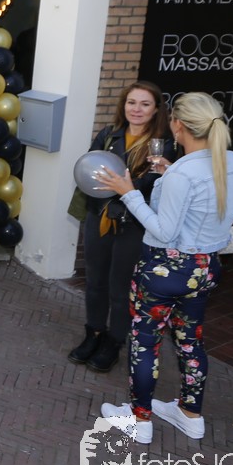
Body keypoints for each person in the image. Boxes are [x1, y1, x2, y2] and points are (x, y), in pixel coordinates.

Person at [95, 92, 233, 444]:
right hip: (206, 268)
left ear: (178, 125)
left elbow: (164, 231)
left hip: (165, 270)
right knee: (191, 341)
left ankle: (139, 420)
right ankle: (191, 415)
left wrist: (128, 192)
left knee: (145, 343)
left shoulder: (183, 172)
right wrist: (169, 176)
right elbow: (207, 206)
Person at [68, 81, 173, 373]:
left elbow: (154, 184)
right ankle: (93, 333)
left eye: (145, 104)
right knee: (95, 282)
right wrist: (117, 186)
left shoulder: (162, 145)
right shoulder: (108, 135)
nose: (136, 109)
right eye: (131, 102)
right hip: (100, 217)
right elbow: (88, 169)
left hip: (133, 224)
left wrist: (122, 186)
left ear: (156, 110)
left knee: (120, 287)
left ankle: (114, 341)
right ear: (123, 105)